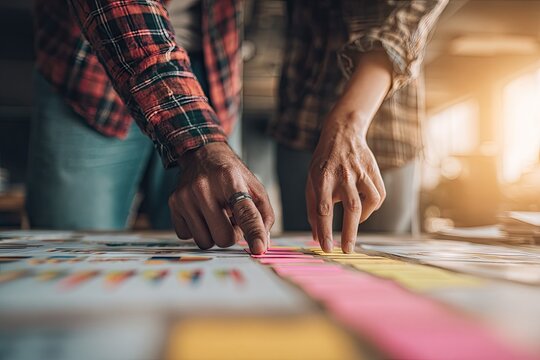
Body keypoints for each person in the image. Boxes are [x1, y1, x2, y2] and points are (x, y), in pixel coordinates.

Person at [27, 0, 273, 254]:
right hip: (91, 70)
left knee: (209, 253)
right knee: (73, 256)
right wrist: (203, 143)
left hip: (213, 67)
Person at [269, 0, 448, 253]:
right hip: (301, 120)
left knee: (388, 263)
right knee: (305, 252)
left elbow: (408, 22)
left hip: (391, 128)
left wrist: (349, 123)